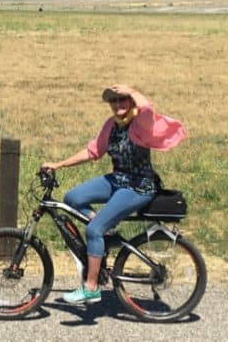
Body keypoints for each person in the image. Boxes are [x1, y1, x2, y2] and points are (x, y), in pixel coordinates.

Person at [41, 83, 186, 304]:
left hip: (138, 187)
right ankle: (105, 231)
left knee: (93, 230)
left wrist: (132, 91)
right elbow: (93, 151)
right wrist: (58, 164)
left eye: (122, 100)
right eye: (113, 101)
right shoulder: (112, 125)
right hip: (117, 180)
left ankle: (91, 287)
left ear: (129, 102)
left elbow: (148, 108)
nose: (118, 104)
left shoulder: (141, 123)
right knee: (72, 198)